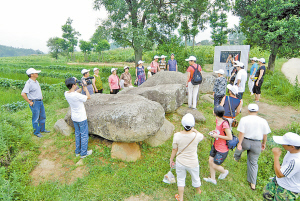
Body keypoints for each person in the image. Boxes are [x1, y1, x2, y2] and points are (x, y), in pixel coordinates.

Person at [234, 103, 271, 190]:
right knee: (253, 163)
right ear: (257, 111)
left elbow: (241, 133)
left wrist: (239, 144)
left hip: (246, 141)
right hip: (257, 143)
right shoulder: (263, 121)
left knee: (238, 150)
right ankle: (253, 184)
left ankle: (236, 158)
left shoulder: (244, 119)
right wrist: (263, 143)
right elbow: (265, 134)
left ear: (248, 111)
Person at [169, 113, 204, 201]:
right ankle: (198, 191)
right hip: (193, 162)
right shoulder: (197, 136)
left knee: (180, 179)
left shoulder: (177, 135)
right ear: (193, 125)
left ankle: (181, 198)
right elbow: (202, 136)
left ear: (182, 124)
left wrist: (171, 159)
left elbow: (174, 149)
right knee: (196, 178)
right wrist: (194, 130)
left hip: (180, 161)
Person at [263, 132, 300, 201]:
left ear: (292, 147)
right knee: (266, 194)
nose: (282, 144)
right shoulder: (291, 151)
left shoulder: (296, 161)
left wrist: (276, 157)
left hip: (288, 189)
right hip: (279, 181)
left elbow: (280, 174)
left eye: (284, 143)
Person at [64, 77, 93, 159]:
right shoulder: (76, 95)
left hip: (74, 117)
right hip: (81, 117)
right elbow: (88, 97)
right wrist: (85, 88)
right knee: (84, 135)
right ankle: (83, 153)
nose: (76, 84)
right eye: (75, 83)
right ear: (73, 85)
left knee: (77, 134)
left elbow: (76, 92)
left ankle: (77, 151)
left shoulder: (66, 93)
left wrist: (81, 88)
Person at [203, 105, 232, 185]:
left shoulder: (224, 124)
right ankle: (213, 179)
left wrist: (217, 136)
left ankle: (224, 172)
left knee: (215, 165)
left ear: (215, 113)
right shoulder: (217, 120)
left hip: (222, 149)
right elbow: (219, 130)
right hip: (215, 145)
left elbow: (230, 137)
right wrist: (214, 132)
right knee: (210, 161)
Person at [21, 68, 50, 138]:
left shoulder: (36, 81)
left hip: (40, 101)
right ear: (31, 75)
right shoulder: (28, 83)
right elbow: (23, 94)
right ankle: (36, 132)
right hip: (34, 102)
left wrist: (41, 97)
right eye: (35, 73)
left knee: (42, 116)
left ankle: (42, 129)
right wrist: (29, 102)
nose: (37, 74)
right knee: (36, 118)